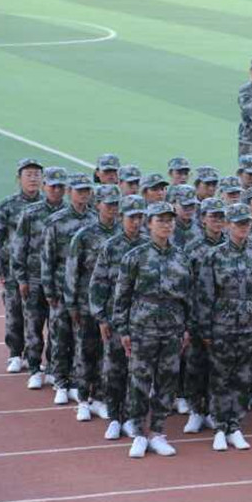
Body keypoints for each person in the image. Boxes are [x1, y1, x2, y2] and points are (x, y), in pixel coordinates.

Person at [113, 202, 191, 458]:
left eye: (170, 220)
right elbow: (122, 296)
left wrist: (187, 327)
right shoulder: (135, 256)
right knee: (139, 380)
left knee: (167, 380)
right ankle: (138, 432)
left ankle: (157, 431)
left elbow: (189, 296)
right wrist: (123, 329)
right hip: (142, 327)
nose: (166, 225)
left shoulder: (181, 257)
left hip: (172, 327)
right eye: (160, 220)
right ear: (149, 224)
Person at [197, 203, 252, 451]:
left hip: (251, 325)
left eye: (247, 223)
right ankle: (220, 427)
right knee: (221, 377)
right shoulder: (214, 256)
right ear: (228, 225)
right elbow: (205, 295)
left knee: (243, 377)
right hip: (223, 325)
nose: (243, 227)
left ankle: (235, 426)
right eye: (239, 223)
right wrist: (206, 329)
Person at [88, 195, 148, 440]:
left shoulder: (150, 245)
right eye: (132, 217)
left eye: (140, 217)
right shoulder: (111, 246)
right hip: (116, 317)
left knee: (139, 373)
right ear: (122, 217)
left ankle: (133, 418)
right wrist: (101, 318)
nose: (136, 222)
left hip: (144, 319)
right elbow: (98, 283)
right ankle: (114, 417)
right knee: (114, 370)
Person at [66, 184, 121, 422]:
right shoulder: (84, 235)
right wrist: (71, 304)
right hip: (87, 303)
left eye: (116, 204)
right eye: (108, 204)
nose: (112, 208)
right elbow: (72, 271)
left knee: (107, 355)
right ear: (97, 205)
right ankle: (82, 399)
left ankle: (100, 398)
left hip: (114, 307)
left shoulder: (123, 234)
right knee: (86, 352)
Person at [42, 172, 97, 405]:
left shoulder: (95, 219)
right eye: (79, 190)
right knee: (60, 337)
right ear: (69, 192)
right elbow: (47, 258)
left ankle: (76, 382)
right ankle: (60, 381)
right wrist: (49, 291)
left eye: (87, 190)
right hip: (61, 288)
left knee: (81, 340)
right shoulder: (56, 221)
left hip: (85, 292)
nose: (83, 194)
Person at [0, 158, 43, 373]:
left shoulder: (47, 205)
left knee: (36, 316)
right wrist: (1, 270)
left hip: (39, 271)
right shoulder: (8, 205)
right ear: (18, 178)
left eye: (37, 174)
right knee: (14, 314)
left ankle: (33, 355)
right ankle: (15, 353)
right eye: (28, 174)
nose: (33, 178)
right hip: (13, 270)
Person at [181, 198, 229, 435]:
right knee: (196, 365)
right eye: (213, 216)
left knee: (220, 367)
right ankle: (195, 411)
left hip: (224, 317)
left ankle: (212, 410)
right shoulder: (192, 248)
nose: (218, 221)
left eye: (221, 217)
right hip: (197, 315)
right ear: (202, 219)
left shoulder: (231, 246)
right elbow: (184, 285)